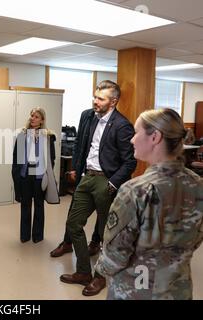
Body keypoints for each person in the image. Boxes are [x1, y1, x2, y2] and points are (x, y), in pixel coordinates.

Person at [94, 108, 203, 300]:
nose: (132, 139)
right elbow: (195, 240)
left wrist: (101, 268)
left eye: (137, 133)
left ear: (155, 137)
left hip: (135, 291)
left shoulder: (136, 190)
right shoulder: (198, 184)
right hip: (178, 290)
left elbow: (115, 256)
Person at [58, 80, 137, 296]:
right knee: (74, 223)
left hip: (106, 180)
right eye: (95, 96)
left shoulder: (122, 125)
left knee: (105, 234)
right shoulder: (92, 119)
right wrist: (80, 170)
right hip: (87, 177)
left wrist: (112, 184)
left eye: (100, 98)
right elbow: (87, 147)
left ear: (113, 101)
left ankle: (100, 277)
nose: (95, 101)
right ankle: (83, 271)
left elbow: (130, 162)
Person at [12, 107, 58, 243]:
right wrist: (16, 177)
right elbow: (17, 158)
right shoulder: (22, 135)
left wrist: (47, 175)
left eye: (36, 116)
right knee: (25, 205)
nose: (33, 118)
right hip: (26, 174)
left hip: (39, 175)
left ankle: (37, 236)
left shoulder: (48, 136)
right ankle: (25, 235)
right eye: (32, 115)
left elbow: (52, 158)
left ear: (42, 120)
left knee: (39, 205)